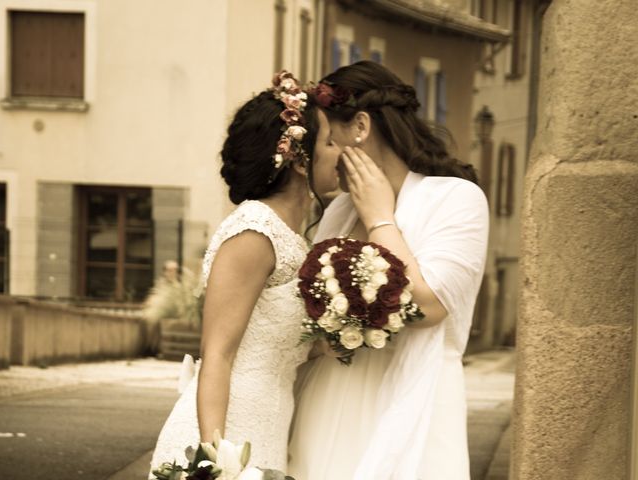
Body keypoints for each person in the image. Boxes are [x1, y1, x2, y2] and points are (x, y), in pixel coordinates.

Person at [288, 61, 489, 479]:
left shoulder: (456, 199)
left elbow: (429, 306)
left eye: (327, 137)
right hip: (331, 397)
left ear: (360, 126)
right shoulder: (340, 212)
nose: (318, 155)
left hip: (412, 394)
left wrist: (381, 218)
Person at [147, 71, 341, 476]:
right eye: (329, 142)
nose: (340, 151)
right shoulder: (255, 230)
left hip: (267, 433)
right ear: (300, 160)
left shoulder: (295, 240)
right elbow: (217, 354)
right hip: (227, 440)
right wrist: (217, 464)